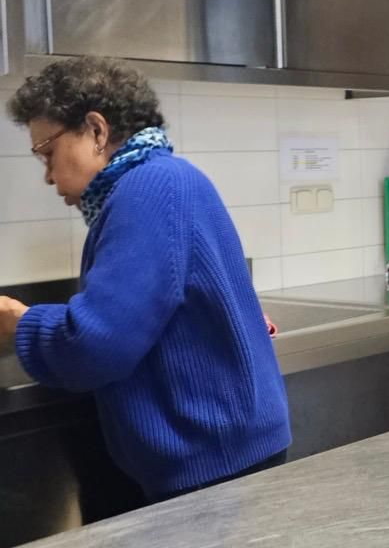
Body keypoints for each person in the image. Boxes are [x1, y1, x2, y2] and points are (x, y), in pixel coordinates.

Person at [0, 57, 290, 505]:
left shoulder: (146, 189)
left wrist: (18, 321)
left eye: (48, 153)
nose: (49, 175)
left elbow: (95, 346)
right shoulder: (169, 178)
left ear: (96, 131)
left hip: (212, 468)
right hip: (229, 454)